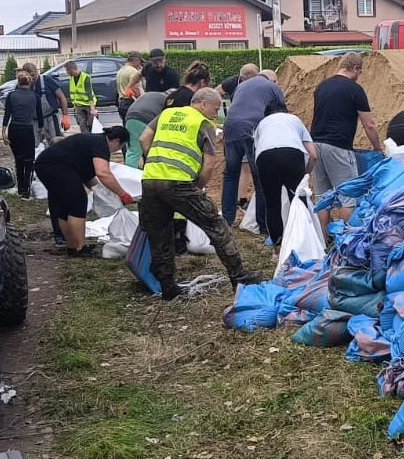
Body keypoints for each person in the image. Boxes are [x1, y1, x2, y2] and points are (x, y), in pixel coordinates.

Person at [139, 88, 262, 300]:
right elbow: (210, 163)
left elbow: (144, 138)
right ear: (203, 104)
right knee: (216, 225)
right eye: (215, 109)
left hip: (150, 181)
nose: (216, 114)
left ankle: (168, 286)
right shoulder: (203, 123)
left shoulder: (167, 113)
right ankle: (239, 276)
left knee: (160, 234)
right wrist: (198, 185)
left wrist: (154, 161)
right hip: (179, 183)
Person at [35, 127, 135, 256]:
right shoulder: (101, 144)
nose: (117, 150)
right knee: (78, 202)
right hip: (56, 166)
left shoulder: (92, 141)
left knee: (65, 208)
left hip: (46, 164)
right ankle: (80, 248)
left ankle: (72, 245)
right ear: (116, 141)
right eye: (120, 146)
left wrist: (102, 193)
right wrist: (123, 194)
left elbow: (87, 176)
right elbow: (103, 173)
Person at [309, 52, 382, 228]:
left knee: (322, 197)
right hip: (338, 146)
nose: (359, 76)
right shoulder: (354, 90)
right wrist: (377, 148)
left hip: (315, 145)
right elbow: (369, 125)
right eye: (360, 72)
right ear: (355, 68)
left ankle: (322, 242)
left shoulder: (322, 87)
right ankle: (345, 241)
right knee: (348, 195)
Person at [221, 70, 287, 235]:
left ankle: (227, 220)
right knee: (260, 177)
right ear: (272, 79)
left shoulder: (241, 86)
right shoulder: (272, 87)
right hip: (251, 129)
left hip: (230, 128)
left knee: (230, 175)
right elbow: (282, 115)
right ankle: (263, 224)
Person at [253, 105, 318, 250]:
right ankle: (303, 244)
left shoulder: (261, 124)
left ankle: (277, 246)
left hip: (265, 158)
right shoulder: (294, 120)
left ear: (266, 115)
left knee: (272, 204)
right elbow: (313, 155)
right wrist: (305, 175)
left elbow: (257, 151)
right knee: (299, 201)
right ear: (286, 112)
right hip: (292, 155)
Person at [2, 70, 44, 198]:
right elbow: (40, 116)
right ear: (30, 82)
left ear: (18, 82)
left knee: (18, 159)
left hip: (14, 129)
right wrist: (40, 131)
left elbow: (7, 114)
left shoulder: (11, 96)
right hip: (27, 129)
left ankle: (20, 188)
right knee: (29, 160)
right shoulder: (35, 96)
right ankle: (26, 190)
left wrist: (3, 131)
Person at [23, 62, 70, 142]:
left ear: (37, 72)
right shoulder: (22, 85)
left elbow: (62, 97)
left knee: (56, 143)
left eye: (33, 75)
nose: (31, 78)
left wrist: (65, 116)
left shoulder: (46, 80)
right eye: (28, 76)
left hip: (50, 118)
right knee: (36, 146)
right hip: (34, 121)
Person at [123, 90, 170, 168]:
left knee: (133, 151)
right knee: (153, 148)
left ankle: (129, 173)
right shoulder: (167, 100)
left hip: (130, 118)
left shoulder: (150, 94)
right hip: (147, 119)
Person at [65, 60, 97, 133]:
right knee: (82, 125)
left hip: (88, 105)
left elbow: (89, 94)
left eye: (67, 71)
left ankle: (92, 140)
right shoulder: (71, 78)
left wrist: (93, 109)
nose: (67, 73)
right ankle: (86, 140)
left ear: (71, 69)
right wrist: (74, 105)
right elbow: (74, 93)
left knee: (91, 125)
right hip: (78, 106)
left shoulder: (85, 77)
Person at [116, 51, 143, 122]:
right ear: (136, 60)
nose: (140, 64)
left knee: (126, 126)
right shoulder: (133, 71)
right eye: (140, 61)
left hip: (122, 102)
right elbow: (135, 88)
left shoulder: (121, 70)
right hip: (131, 103)